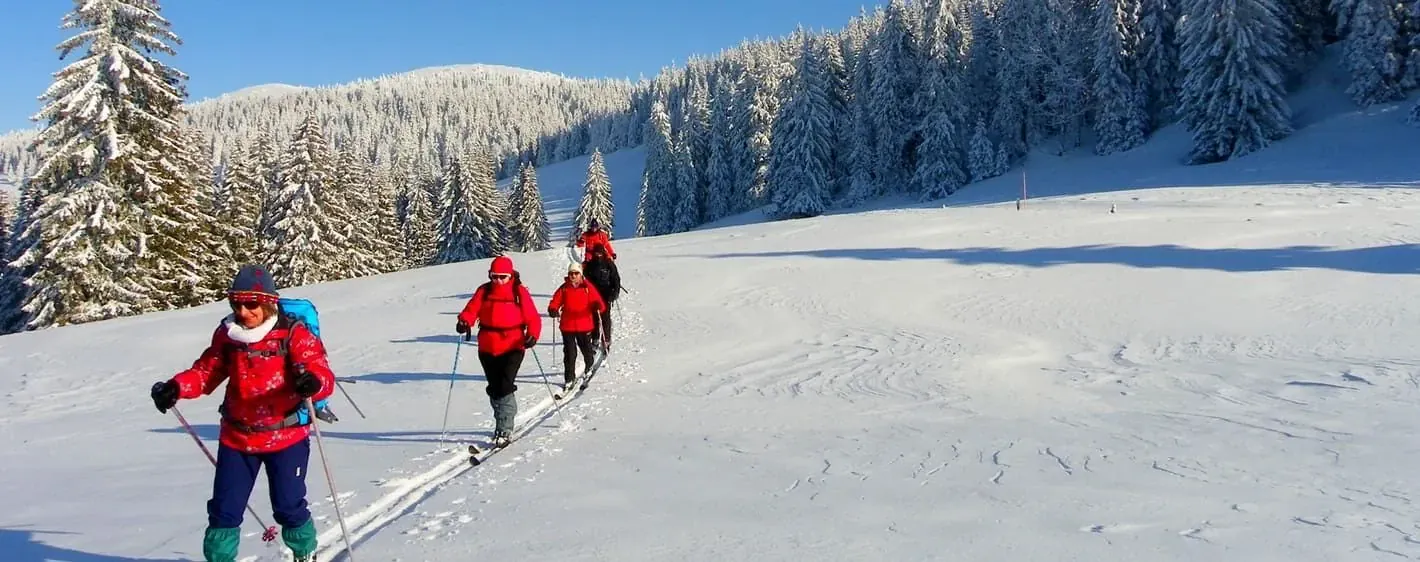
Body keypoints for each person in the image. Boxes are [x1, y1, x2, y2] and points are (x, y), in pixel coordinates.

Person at [149, 264, 335, 562]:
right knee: (224, 511)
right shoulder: (228, 336)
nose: (244, 312)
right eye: (237, 304)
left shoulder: (294, 334)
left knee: (289, 506)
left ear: (267, 303)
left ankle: (305, 553)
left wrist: (313, 383)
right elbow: (206, 372)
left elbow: (321, 375)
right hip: (237, 438)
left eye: (251, 304)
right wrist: (175, 388)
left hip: (286, 437)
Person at [455, 255, 542, 446]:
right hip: (487, 346)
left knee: (504, 385)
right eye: (494, 277)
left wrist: (533, 335)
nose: (499, 281)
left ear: (510, 276)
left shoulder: (519, 292)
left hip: (513, 345)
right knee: (494, 388)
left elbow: (533, 317)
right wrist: (464, 321)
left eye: (503, 277)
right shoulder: (484, 291)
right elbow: (471, 309)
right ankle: (500, 421)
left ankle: (505, 427)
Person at [547, 261, 607, 391]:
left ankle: (589, 367)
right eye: (571, 273)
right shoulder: (564, 288)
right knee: (569, 353)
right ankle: (569, 378)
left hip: (584, 325)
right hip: (567, 326)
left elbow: (600, 304)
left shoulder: (587, 287)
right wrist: (553, 309)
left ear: (580, 274)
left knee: (586, 349)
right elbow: (555, 301)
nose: (573, 276)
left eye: (576, 273)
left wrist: (597, 305)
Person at [582, 246, 621, 350]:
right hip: (593, 295)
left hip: (606, 294)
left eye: (599, 253)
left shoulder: (608, 264)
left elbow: (616, 279)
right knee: (594, 317)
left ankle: (606, 339)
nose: (598, 255)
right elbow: (585, 280)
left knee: (605, 317)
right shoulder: (590, 265)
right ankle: (595, 338)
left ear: (603, 253)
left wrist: (615, 292)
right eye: (596, 253)